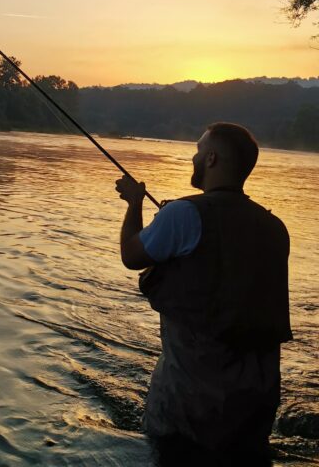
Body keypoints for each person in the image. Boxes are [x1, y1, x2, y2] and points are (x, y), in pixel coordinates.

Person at [116, 122, 292, 467]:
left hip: (189, 405)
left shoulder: (183, 214)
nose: (193, 158)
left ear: (211, 159)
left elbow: (131, 256)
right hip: (255, 406)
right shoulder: (275, 227)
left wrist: (135, 203)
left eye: (198, 151)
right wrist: (172, 219)